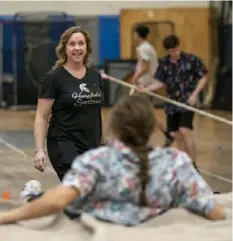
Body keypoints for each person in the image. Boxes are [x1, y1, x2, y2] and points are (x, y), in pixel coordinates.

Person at [0, 94, 225, 226]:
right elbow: (214, 211)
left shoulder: (96, 162)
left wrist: (6, 217)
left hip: (91, 213)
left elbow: (58, 201)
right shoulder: (176, 163)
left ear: (115, 126)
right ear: (150, 129)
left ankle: (30, 194)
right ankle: (32, 193)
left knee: (37, 196)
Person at [33, 26, 105, 181]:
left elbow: (97, 112)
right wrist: (39, 150)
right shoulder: (54, 78)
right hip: (63, 143)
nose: (77, 48)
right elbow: (42, 116)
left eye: (81, 43)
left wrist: (103, 142)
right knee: (78, 188)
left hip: (90, 145)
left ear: (87, 47)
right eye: (72, 44)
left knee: (86, 195)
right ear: (64, 48)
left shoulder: (95, 76)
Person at [138, 34, 209, 168]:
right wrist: (147, 89)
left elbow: (204, 76)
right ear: (167, 51)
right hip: (172, 103)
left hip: (187, 102)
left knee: (184, 130)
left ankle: (193, 165)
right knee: (177, 134)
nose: (174, 53)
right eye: (171, 51)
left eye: (176, 49)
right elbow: (161, 82)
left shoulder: (191, 60)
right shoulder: (164, 63)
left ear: (179, 46)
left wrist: (195, 95)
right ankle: (182, 165)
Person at [131, 24, 174, 147]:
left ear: (137, 35)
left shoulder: (143, 48)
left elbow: (146, 66)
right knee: (144, 112)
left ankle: (165, 133)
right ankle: (166, 133)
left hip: (145, 84)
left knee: (145, 112)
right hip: (149, 83)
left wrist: (135, 77)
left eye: (135, 34)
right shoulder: (147, 47)